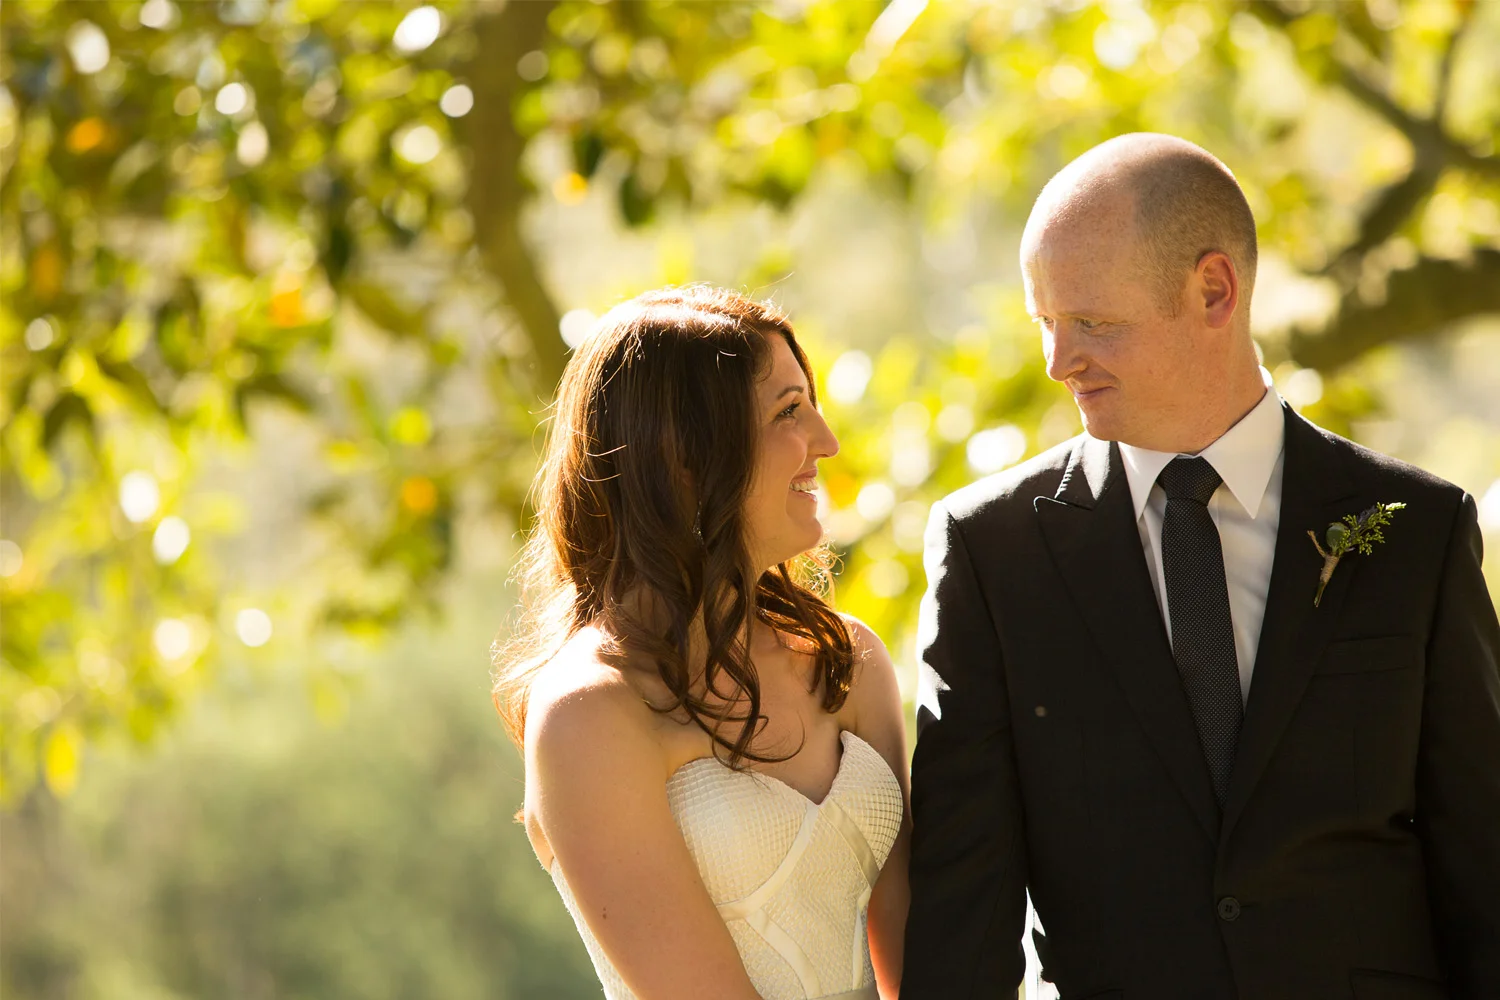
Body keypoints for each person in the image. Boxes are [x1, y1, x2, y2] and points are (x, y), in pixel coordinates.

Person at [900, 133, 1500, 999]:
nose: (1057, 360)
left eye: (1092, 322)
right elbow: (965, 907)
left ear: (1214, 290)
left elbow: (1482, 864)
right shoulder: (993, 552)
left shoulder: (1416, 530)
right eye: (1045, 321)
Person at [494, 286, 912, 1000]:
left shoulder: (849, 661)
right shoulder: (589, 715)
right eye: (789, 410)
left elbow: (927, 954)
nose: (825, 441)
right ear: (683, 457)